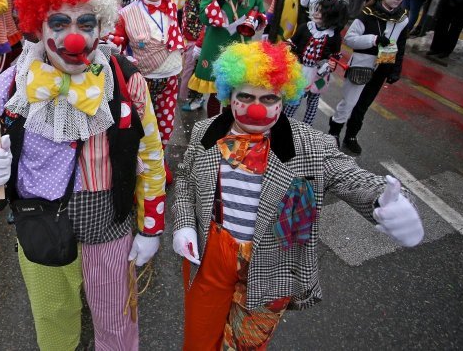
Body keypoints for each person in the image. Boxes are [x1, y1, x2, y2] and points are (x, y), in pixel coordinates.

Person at [0, 0, 166, 351]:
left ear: (101, 27)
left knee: (115, 323)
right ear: (38, 27)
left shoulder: (127, 80)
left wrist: (151, 226)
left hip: (107, 225)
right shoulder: (9, 84)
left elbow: (152, 157)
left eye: (84, 22)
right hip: (39, 224)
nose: (72, 36)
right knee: (54, 323)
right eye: (59, 23)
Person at [172, 40, 423, 351]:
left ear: (283, 98)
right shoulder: (205, 132)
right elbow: (185, 179)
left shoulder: (310, 144)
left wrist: (384, 201)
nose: (256, 108)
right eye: (246, 97)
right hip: (212, 253)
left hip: (272, 260)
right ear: (229, 96)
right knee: (197, 341)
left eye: (268, 98)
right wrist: (184, 223)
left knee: (244, 347)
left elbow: (347, 173)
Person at [110, 0, 183, 183]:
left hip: (171, 76)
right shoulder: (127, 12)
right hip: (143, 79)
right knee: (140, 124)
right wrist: (116, 48)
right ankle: (139, 166)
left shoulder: (172, 3)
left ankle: (159, 163)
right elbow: (118, 40)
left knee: (165, 123)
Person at [330, 0, 409, 155]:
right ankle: (334, 133)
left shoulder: (403, 18)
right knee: (349, 102)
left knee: (364, 104)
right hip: (362, 64)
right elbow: (349, 39)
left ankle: (351, 136)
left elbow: (401, 44)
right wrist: (373, 40)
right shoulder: (367, 14)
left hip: (384, 63)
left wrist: (395, 69)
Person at [187, 0, 266, 118]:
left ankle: (230, 126)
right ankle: (214, 126)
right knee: (216, 93)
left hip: (240, 46)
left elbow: (262, 15)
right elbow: (205, 18)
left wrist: (257, 20)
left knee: (235, 92)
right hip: (216, 45)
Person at [283, 0, 348, 125]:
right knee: (295, 97)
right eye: (316, 10)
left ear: (331, 17)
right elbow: (292, 42)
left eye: (321, 12)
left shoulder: (334, 36)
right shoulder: (306, 27)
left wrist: (327, 67)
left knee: (314, 99)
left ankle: (307, 126)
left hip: (320, 74)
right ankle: (285, 123)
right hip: (301, 69)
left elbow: (335, 57)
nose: (316, 13)